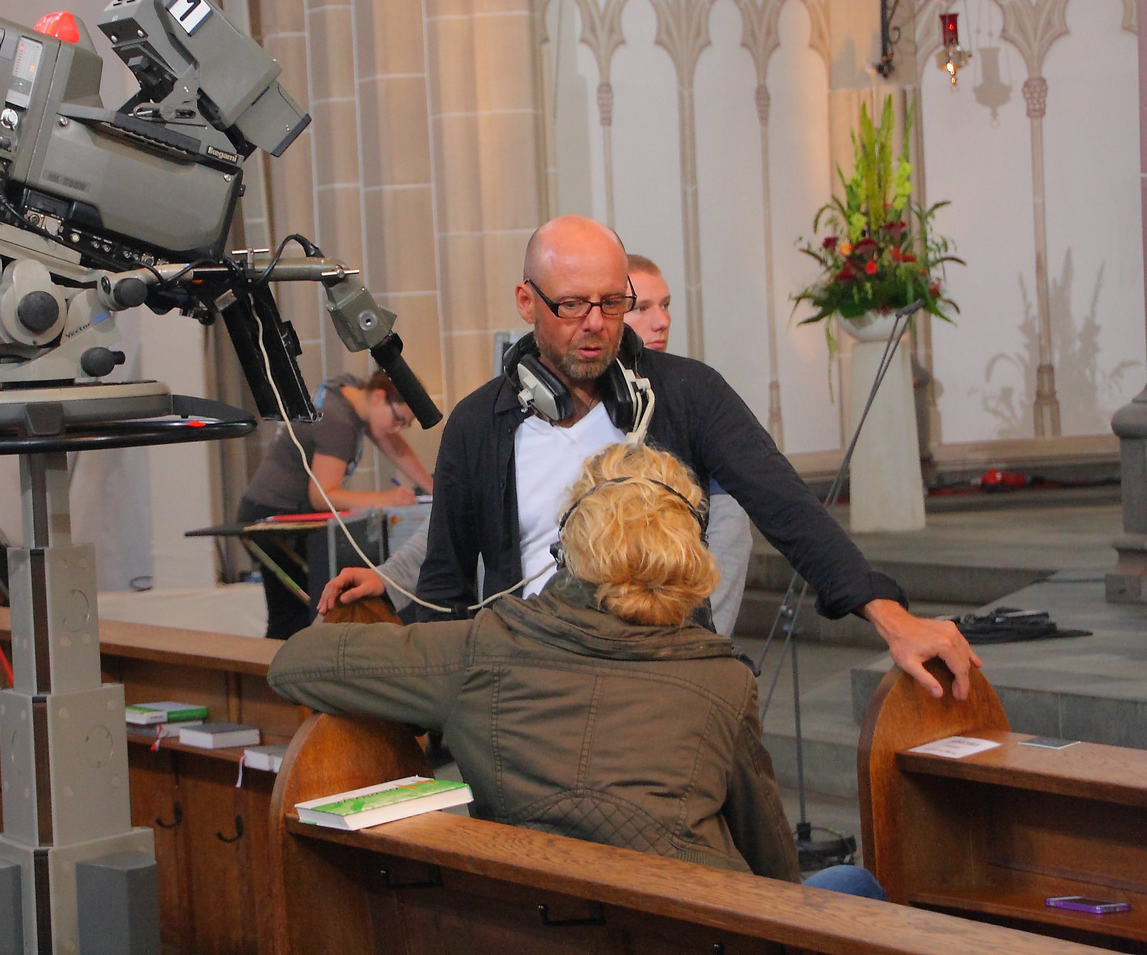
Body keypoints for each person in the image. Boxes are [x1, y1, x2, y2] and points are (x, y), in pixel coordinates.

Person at [323, 215, 978, 700]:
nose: (595, 324)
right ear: (528, 302)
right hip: (526, 690)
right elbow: (446, 586)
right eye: (572, 305)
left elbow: (787, 506)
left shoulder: (685, 394)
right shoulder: (477, 425)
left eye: (612, 304)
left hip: (661, 678)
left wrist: (888, 616)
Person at [274, 443, 880, 894]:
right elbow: (774, 870)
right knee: (852, 884)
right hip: (693, 926)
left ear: (567, 547)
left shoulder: (485, 647)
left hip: (538, 920)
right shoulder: (722, 680)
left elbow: (295, 663)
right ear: (689, 553)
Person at [237, 371, 432, 639]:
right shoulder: (339, 422)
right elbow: (322, 495)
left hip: (274, 510)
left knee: (294, 613)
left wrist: (436, 490)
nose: (397, 429)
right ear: (379, 396)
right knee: (291, 617)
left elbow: (389, 440)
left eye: (405, 424)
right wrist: (385, 498)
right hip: (271, 516)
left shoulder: (350, 390)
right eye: (398, 419)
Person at [624, 253, 751, 636]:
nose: (662, 321)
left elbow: (730, 522)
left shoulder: (692, 389)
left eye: (664, 305)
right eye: (643, 308)